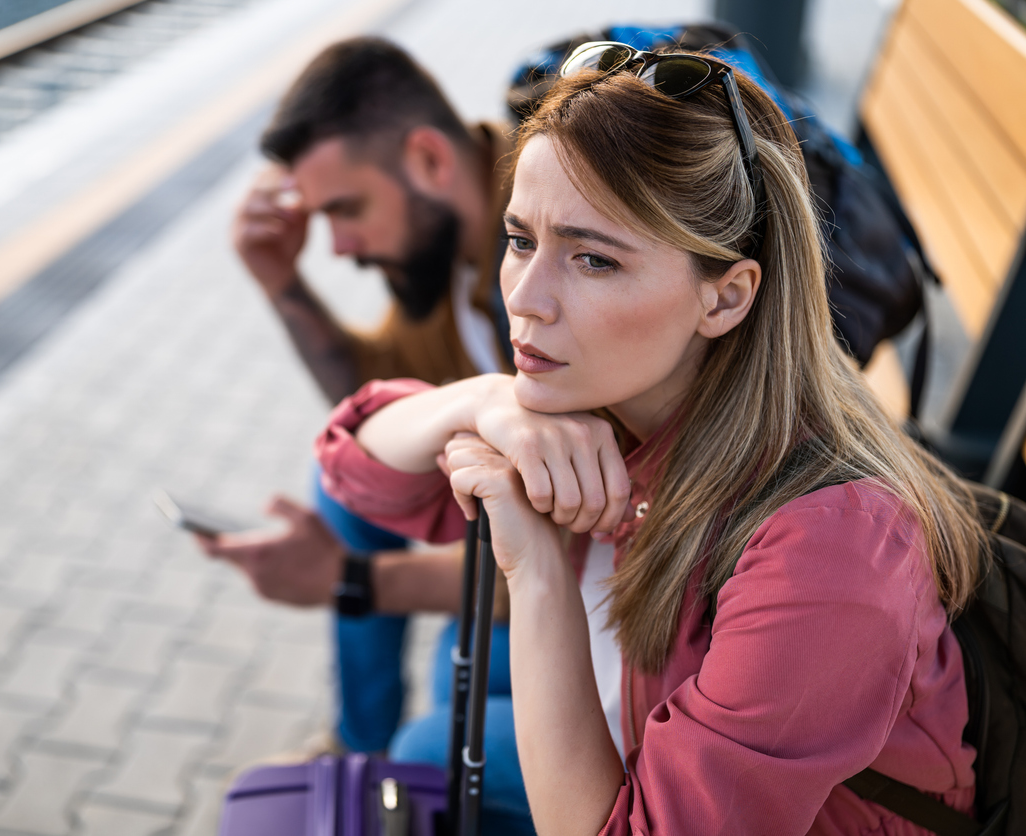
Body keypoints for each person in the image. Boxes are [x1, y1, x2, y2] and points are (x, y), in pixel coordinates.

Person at [314, 42, 985, 834]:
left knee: (431, 742)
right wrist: (486, 402)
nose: (525, 300)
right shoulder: (614, 396)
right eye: (521, 239)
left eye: (593, 259)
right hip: (647, 695)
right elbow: (354, 470)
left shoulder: (829, 552)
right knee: (450, 684)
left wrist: (536, 576)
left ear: (725, 298)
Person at [200, 37, 527, 759]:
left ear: (429, 160)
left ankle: (397, 765)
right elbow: (373, 404)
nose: (339, 247)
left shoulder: (545, 261)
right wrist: (282, 285)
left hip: (638, 601)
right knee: (343, 480)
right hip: (540, 539)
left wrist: (347, 580)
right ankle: (359, 748)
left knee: (445, 715)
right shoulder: (444, 250)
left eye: (346, 209)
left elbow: (568, 561)